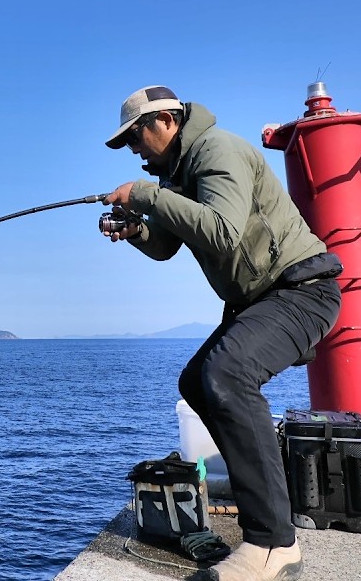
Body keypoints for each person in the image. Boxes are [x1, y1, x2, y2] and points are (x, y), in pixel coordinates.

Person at [102, 85, 342, 581]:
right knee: (196, 383)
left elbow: (222, 232)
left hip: (301, 290)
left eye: (135, 138)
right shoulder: (179, 174)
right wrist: (137, 230)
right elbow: (168, 245)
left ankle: (274, 544)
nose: (135, 150)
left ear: (165, 122)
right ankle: (274, 498)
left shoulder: (218, 149)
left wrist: (146, 195)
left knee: (227, 373)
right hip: (262, 300)